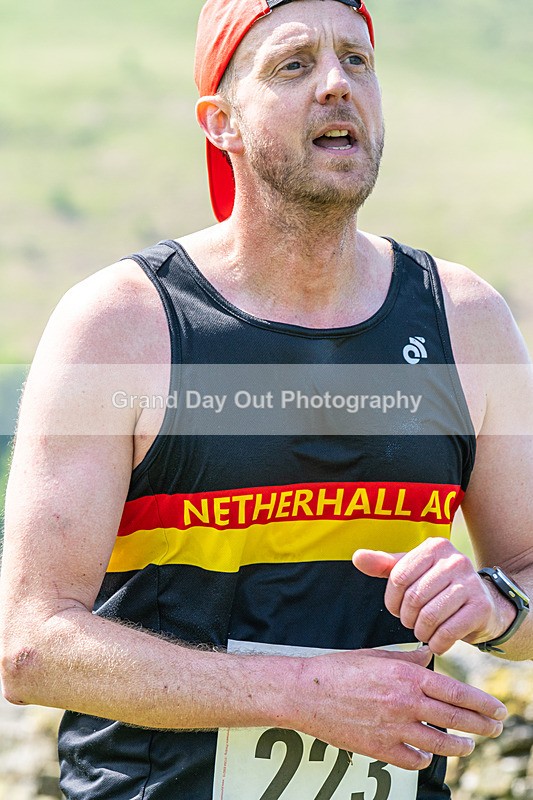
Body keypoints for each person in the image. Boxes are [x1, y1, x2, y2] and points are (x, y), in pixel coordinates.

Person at [1, 0, 532, 798]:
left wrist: (494, 604)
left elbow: (525, 579)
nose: (335, 85)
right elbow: (33, 645)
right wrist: (307, 698)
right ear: (221, 123)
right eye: (293, 64)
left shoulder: (467, 321)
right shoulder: (120, 326)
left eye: (357, 61)